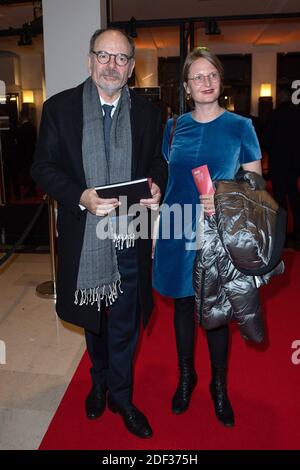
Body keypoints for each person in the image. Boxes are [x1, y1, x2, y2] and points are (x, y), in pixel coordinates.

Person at [31, 28, 167, 439]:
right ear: (90, 61)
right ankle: (99, 381)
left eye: (121, 58)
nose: (112, 65)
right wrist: (81, 197)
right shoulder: (60, 109)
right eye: (104, 56)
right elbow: (43, 168)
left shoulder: (148, 113)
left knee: (124, 321)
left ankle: (121, 397)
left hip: (130, 234)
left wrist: (157, 184)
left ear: (130, 69)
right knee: (96, 320)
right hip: (84, 236)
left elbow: (157, 163)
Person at [153, 47, 262, 427]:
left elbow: (256, 186)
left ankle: (219, 386)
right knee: (183, 305)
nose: (205, 82)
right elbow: (167, 181)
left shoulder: (240, 126)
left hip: (218, 230)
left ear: (220, 80)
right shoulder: (173, 127)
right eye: (196, 77)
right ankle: (187, 377)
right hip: (175, 225)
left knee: (215, 309)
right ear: (186, 85)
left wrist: (225, 195)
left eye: (211, 75)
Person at [264, 91, 300, 250]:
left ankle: (282, 235)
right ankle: (298, 233)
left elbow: (267, 140)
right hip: (294, 163)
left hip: (278, 163)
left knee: (279, 201)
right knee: (294, 198)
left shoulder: (274, 115)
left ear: (278, 100)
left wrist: (273, 152)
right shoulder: (297, 114)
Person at [16, 110, 37, 197]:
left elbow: (20, 143)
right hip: (32, 153)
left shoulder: (20, 129)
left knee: (26, 172)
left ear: (22, 118)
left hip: (24, 154)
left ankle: (30, 190)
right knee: (31, 172)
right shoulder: (33, 127)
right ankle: (33, 190)